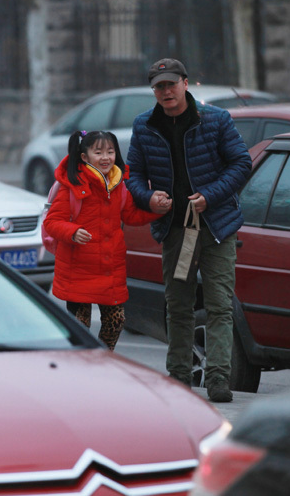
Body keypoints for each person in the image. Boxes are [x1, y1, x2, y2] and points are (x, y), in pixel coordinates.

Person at [126, 58, 252, 403]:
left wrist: (209, 196)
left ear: (185, 83)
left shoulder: (216, 119)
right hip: (177, 231)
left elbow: (242, 163)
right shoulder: (144, 126)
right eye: (159, 86)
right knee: (178, 305)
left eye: (171, 84)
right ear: (154, 91)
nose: (166, 91)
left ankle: (218, 380)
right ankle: (179, 376)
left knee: (218, 305)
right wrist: (148, 197)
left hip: (217, 228)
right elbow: (132, 174)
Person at [43, 130, 166, 351]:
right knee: (80, 328)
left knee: (116, 321)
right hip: (77, 271)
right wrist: (72, 231)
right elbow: (52, 222)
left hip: (110, 270)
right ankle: (81, 369)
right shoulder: (73, 183)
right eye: (98, 152)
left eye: (110, 151)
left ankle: (102, 360)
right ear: (84, 157)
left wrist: (156, 210)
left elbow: (131, 216)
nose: (106, 157)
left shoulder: (118, 183)